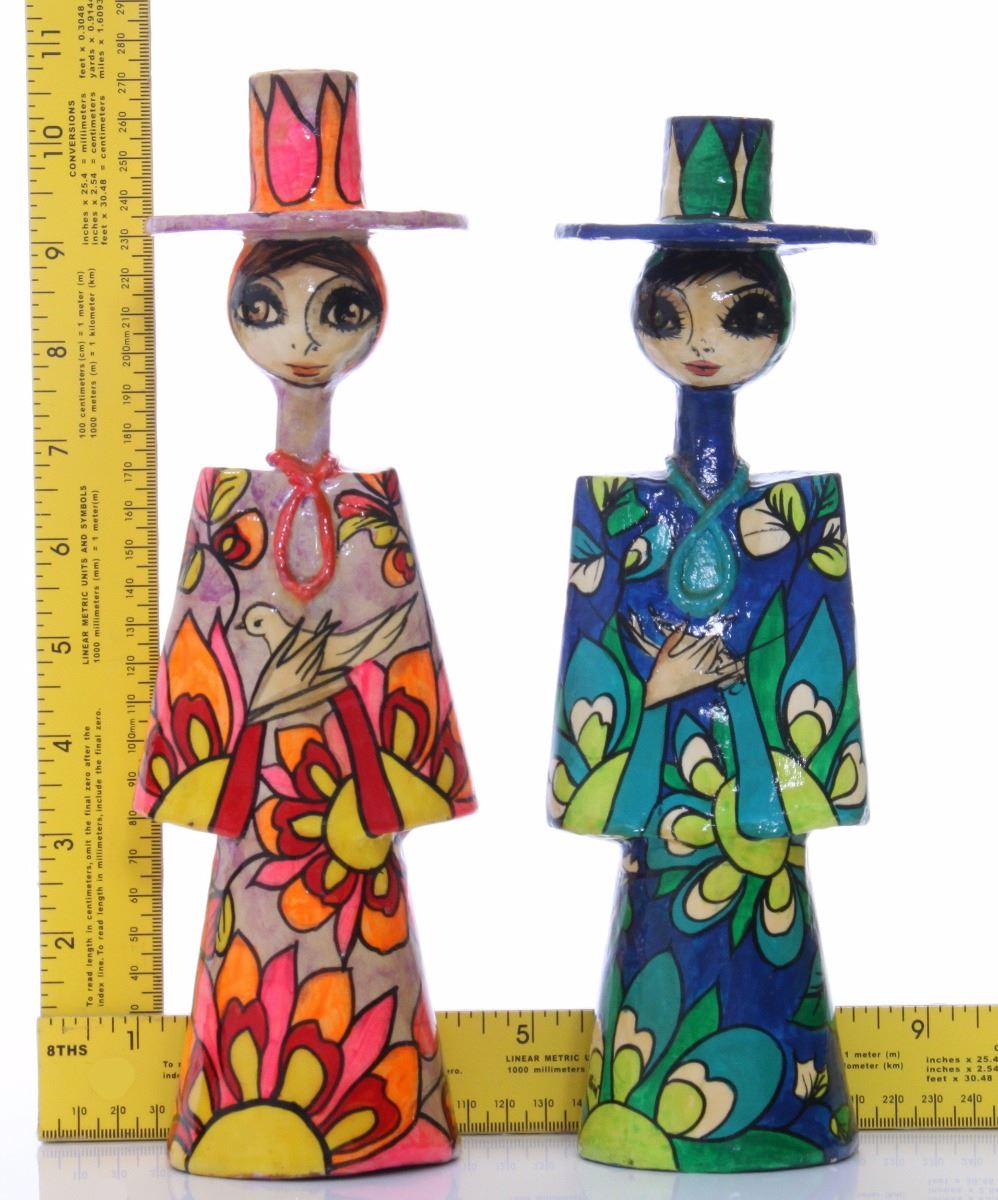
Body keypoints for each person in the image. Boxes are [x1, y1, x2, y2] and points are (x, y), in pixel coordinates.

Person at [134, 70, 474, 1180]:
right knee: (255, 950)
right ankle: (247, 1113)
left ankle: (379, 1114)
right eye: (266, 307)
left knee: (360, 942)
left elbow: (404, 646)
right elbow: (197, 656)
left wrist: (385, 763)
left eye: (339, 308)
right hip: (264, 790)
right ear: (234, 311)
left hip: (349, 797)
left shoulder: (369, 505)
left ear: (375, 310)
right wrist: (256, 711)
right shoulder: (229, 504)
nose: (302, 339)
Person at [551, 116, 872, 1172]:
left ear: (778, 324)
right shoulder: (616, 514)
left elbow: (819, 704)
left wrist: (719, 690)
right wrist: (654, 695)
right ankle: (645, 1113)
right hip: (665, 839)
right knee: (657, 941)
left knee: (763, 942)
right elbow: (590, 703)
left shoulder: (799, 517)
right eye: (669, 313)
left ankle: (779, 1112)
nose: (700, 341)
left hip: (754, 844)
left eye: (739, 314)